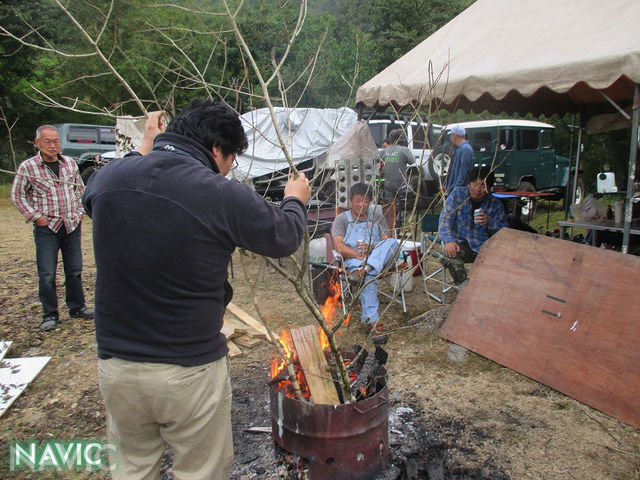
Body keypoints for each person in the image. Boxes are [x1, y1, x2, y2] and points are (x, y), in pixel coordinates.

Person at [83, 100, 311, 480]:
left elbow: (99, 196)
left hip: (117, 364)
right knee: (200, 472)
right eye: (232, 159)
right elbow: (285, 235)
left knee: (132, 468)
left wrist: (145, 148)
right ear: (218, 149)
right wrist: (294, 199)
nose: (228, 169)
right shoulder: (218, 193)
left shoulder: (109, 179)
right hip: (188, 368)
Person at [11, 125, 94, 332]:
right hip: (48, 228)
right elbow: (17, 196)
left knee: (74, 271)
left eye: (56, 141)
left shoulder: (70, 164)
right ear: (37, 142)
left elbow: (79, 190)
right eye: (48, 141)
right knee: (47, 274)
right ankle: (50, 314)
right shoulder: (29, 167)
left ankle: (77, 307)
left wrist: (79, 212)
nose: (53, 146)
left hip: (71, 224)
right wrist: (36, 217)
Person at [331, 182, 401, 344]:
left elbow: (386, 242)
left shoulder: (376, 217)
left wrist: (371, 247)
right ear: (351, 201)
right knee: (369, 276)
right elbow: (338, 245)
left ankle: (367, 268)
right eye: (358, 200)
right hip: (355, 261)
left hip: (376, 259)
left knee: (393, 243)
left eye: (366, 201)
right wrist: (356, 253)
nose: (362, 205)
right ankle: (372, 322)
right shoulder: (342, 219)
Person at [439, 164, 508, 285]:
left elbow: (504, 232)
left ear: (488, 188)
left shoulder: (495, 204)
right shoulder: (457, 196)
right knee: (449, 256)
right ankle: (465, 289)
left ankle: (489, 291)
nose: (478, 189)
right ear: (469, 183)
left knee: (504, 262)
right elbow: (445, 221)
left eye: (483, 185)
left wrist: (489, 222)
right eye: (475, 184)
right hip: (461, 244)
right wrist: (449, 240)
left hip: (484, 247)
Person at [380, 129, 413, 201]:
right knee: (403, 204)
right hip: (400, 184)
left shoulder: (384, 151)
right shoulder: (404, 150)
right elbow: (412, 161)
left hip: (388, 184)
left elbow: (377, 161)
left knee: (390, 206)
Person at [444, 124, 474, 195]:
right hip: (452, 190)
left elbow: (463, 172)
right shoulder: (459, 149)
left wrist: (456, 190)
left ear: (454, 135)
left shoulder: (465, 149)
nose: (450, 138)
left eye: (451, 135)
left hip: (459, 192)